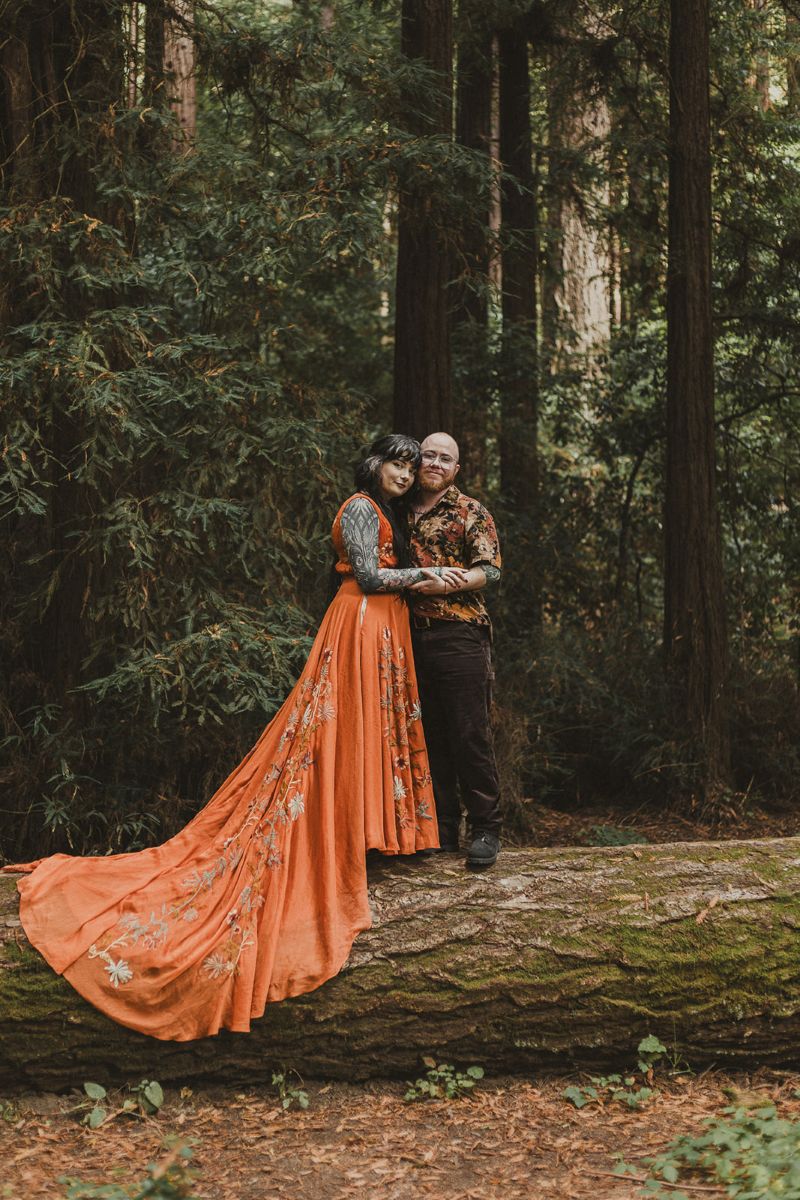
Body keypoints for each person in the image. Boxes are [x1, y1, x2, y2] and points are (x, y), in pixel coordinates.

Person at [3, 435, 466, 1042]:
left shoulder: (389, 513)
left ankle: (368, 829)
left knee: (369, 728)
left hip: (381, 631)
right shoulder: (358, 506)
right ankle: (337, 831)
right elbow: (374, 578)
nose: (405, 474)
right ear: (375, 465)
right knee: (338, 730)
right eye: (397, 463)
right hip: (359, 624)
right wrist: (432, 573)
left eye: (413, 466)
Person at [407, 432, 503, 867]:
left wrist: (448, 580)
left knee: (469, 734)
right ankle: (443, 829)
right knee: (429, 738)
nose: (436, 463)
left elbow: (491, 571)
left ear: (456, 469)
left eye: (446, 459)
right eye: (430, 455)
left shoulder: (470, 512)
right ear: (417, 459)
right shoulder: (397, 508)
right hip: (407, 636)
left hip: (459, 634)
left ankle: (486, 828)